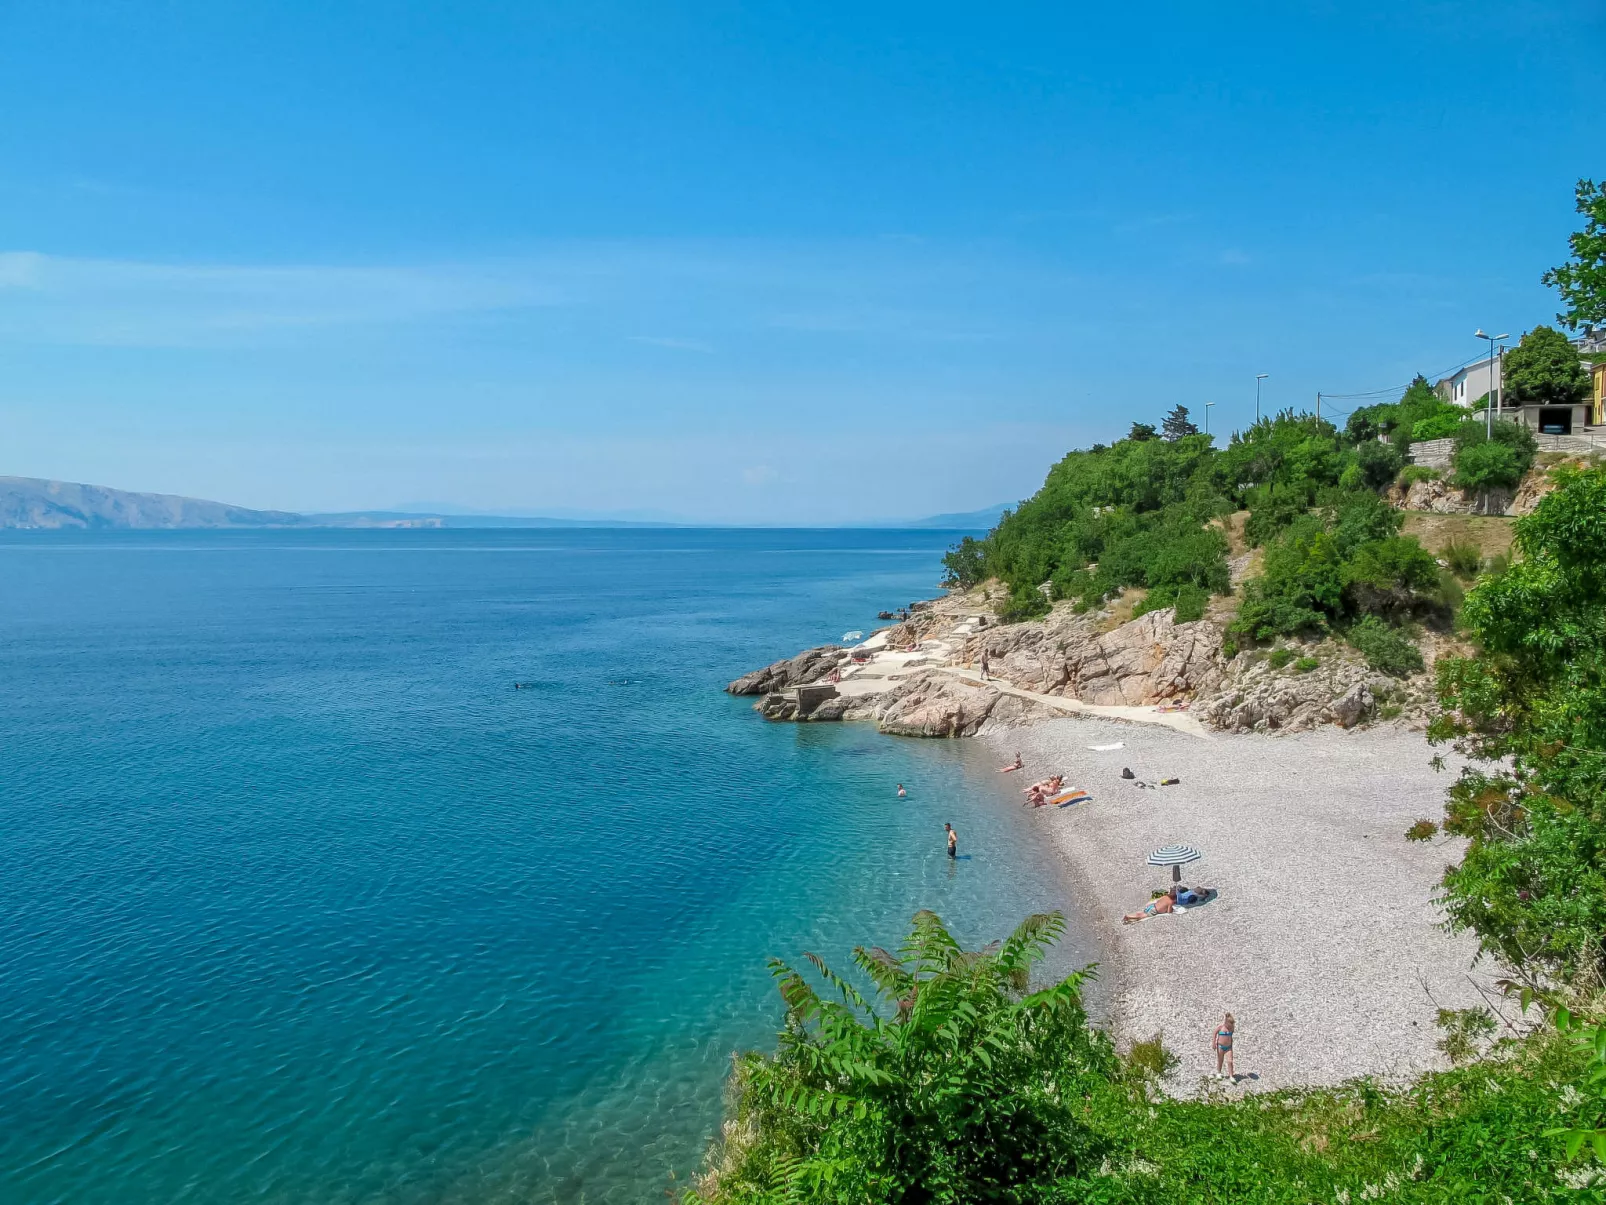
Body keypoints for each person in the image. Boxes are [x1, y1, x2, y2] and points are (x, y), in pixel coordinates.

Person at [1213, 1012, 1236, 1078]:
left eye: (1232, 1024)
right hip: (1220, 1046)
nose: (1231, 1025)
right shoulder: (1220, 1027)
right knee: (1220, 1059)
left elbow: (1231, 1035)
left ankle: (1231, 1076)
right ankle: (1219, 1072)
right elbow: (1214, 1033)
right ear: (1226, 1022)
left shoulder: (1231, 1028)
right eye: (1230, 1024)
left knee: (1230, 1061)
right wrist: (1214, 1042)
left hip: (1229, 1047)